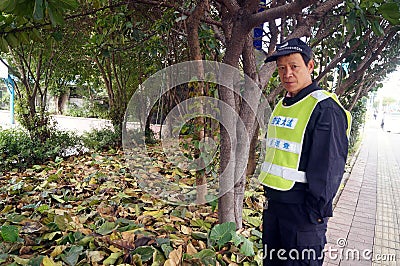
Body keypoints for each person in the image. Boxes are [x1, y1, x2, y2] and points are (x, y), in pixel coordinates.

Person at [258, 38, 351, 265]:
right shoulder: (284, 104)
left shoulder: (325, 108)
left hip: (303, 217)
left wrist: (313, 215)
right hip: (276, 209)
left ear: (310, 66)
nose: (287, 73)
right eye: (281, 68)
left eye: (294, 66)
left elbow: (328, 170)